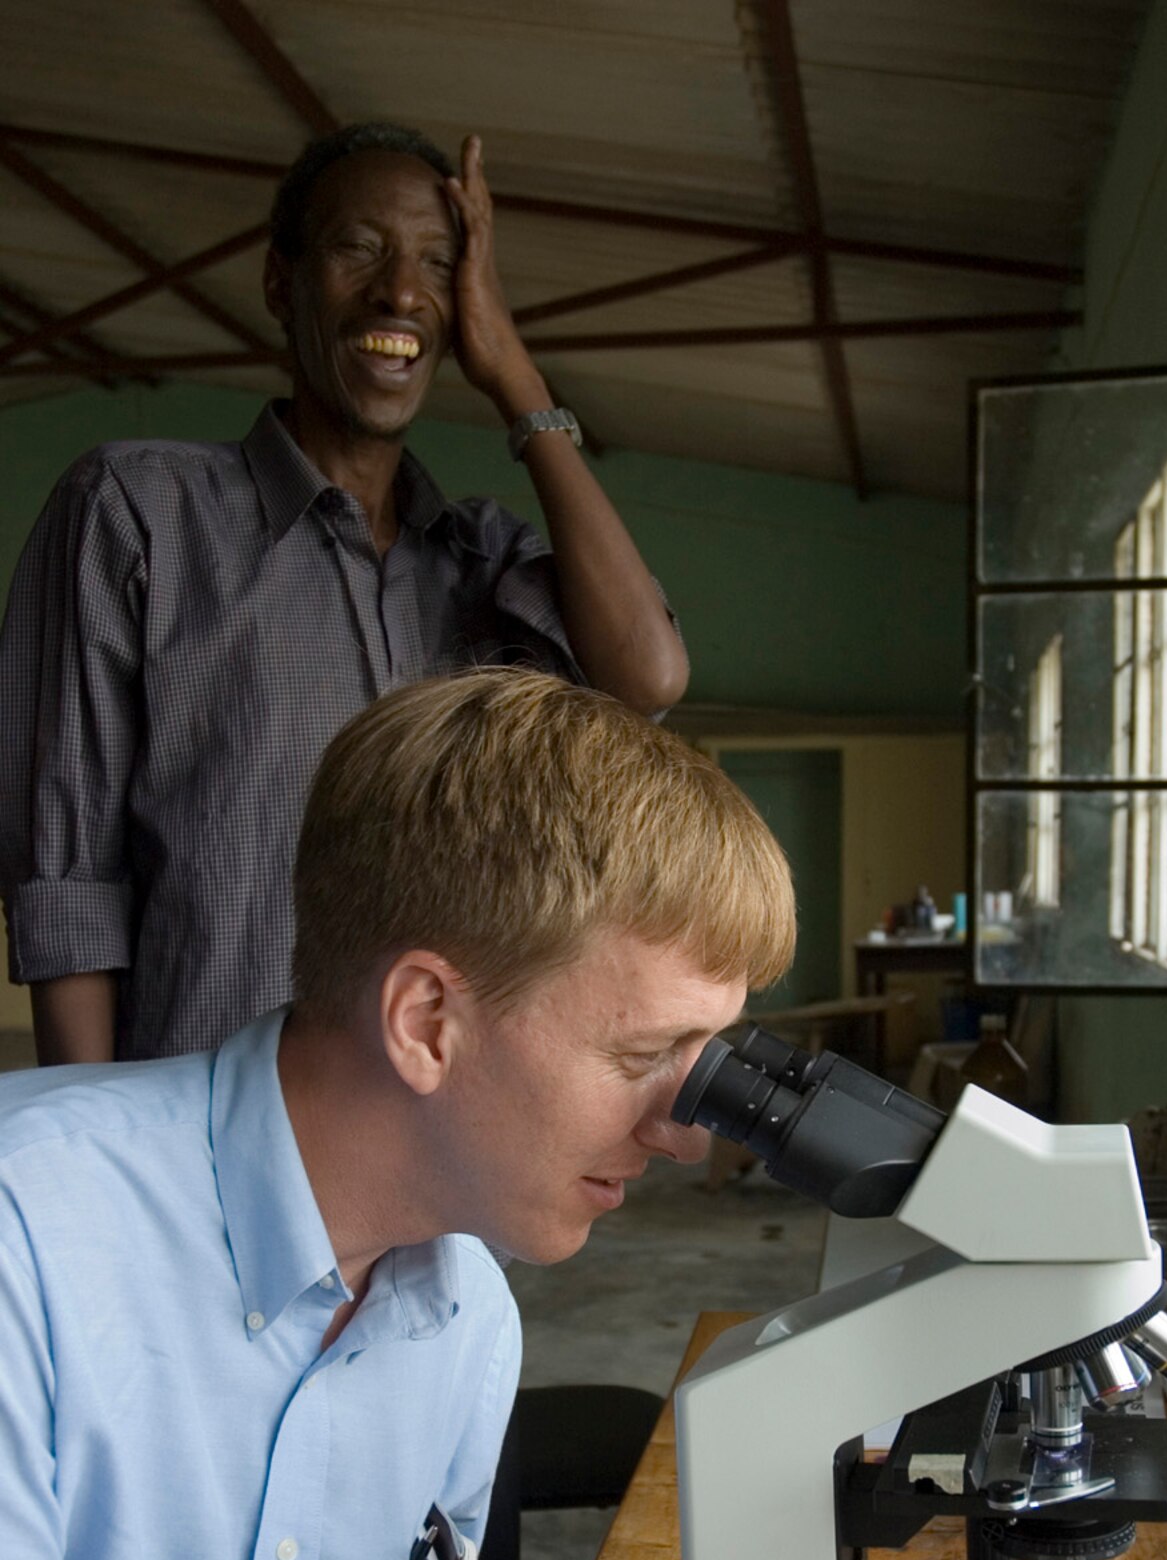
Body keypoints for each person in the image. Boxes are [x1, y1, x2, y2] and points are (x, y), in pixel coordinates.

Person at [0, 669, 821, 1560]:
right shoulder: (27, 1252)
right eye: (642, 1061)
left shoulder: (464, 1326)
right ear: (428, 1019)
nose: (681, 1132)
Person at [0, 120, 689, 1068]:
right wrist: (100, 1161)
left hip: (433, 1153)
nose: (399, 291)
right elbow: (69, 876)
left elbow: (647, 674)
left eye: (438, 264)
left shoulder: (479, 562)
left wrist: (512, 372)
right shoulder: (138, 512)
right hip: (202, 1143)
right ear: (283, 282)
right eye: (358, 248)